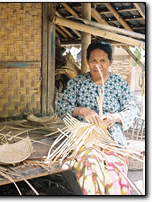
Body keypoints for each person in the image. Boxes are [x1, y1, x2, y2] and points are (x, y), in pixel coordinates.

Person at [56, 41, 140, 195]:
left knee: (115, 175)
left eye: (103, 60)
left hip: (112, 138)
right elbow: (61, 108)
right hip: (85, 138)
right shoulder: (77, 83)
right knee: (90, 169)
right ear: (87, 61)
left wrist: (115, 117)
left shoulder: (119, 84)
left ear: (110, 62)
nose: (97, 65)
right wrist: (81, 110)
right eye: (93, 60)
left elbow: (132, 109)